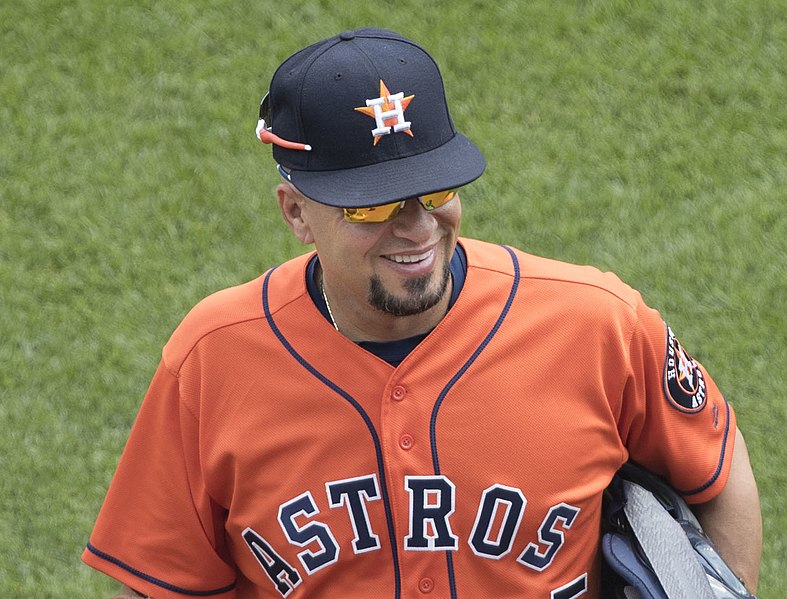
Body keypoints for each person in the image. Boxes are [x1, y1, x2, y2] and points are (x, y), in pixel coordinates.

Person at [83, 28, 761, 598]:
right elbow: (162, 579)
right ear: (296, 214)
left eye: (434, 191)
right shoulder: (212, 359)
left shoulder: (596, 323)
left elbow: (717, 468)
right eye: (372, 206)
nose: (415, 228)